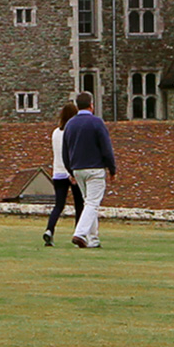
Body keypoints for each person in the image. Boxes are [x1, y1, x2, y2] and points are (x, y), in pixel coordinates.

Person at [61, 91, 115, 249]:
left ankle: (93, 239)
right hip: (95, 169)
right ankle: (80, 233)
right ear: (91, 105)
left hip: (77, 169)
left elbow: (66, 151)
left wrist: (70, 171)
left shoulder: (70, 124)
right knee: (92, 203)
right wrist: (112, 168)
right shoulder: (96, 123)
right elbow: (106, 148)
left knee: (88, 204)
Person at [43, 102, 81, 246]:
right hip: (72, 172)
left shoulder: (55, 132)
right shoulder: (73, 132)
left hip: (58, 172)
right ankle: (79, 235)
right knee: (79, 205)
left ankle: (49, 230)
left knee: (58, 205)